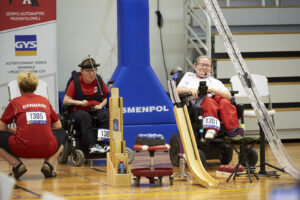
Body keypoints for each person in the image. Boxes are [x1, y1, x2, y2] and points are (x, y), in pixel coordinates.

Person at [0, 72, 66, 179]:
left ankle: (17, 165)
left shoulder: (15, 102)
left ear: (19, 87)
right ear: (36, 87)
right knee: (63, 134)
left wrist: (13, 130)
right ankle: (49, 164)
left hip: (22, 149)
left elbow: (1, 128)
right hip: (47, 148)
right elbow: (58, 126)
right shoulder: (45, 101)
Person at [176, 55, 244, 139]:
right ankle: (211, 129)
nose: (205, 67)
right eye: (202, 64)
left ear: (211, 68)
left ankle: (233, 129)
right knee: (209, 101)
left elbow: (229, 96)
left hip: (215, 103)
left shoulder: (214, 81)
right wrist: (190, 89)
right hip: (196, 105)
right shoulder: (188, 76)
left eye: (208, 65)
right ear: (195, 66)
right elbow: (177, 90)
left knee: (224, 101)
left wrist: (212, 89)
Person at [63, 57, 109, 154]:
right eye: (88, 71)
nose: (92, 74)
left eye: (94, 70)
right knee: (85, 117)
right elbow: (65, 100)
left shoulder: (99, 80)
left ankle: (103, 144)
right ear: (82, 71)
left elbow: (106, 98)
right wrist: (80, 102)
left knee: (105, 115)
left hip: (95, 110)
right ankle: (91, 145)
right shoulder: (75, 82)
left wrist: (101, 105)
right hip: (77, 112)